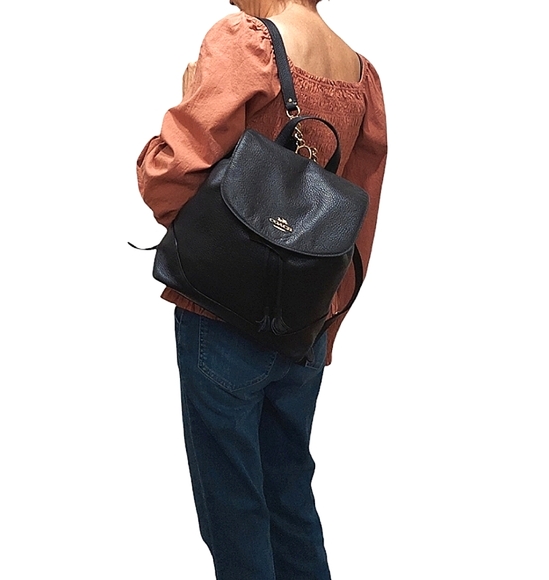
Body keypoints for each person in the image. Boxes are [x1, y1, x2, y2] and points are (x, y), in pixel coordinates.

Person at [136, 1, 387, 578]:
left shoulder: (245, 42)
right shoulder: (361, 76)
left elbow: (170, 173)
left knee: (234, 512)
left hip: (222, 312)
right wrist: (327, 321)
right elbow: (357, 216)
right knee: (289, 499)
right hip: (305, 320)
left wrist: (189, 99)